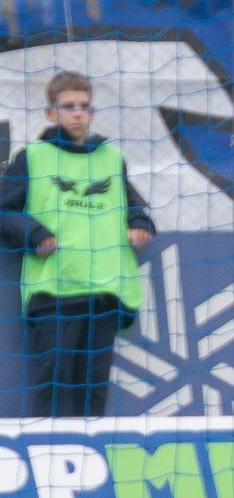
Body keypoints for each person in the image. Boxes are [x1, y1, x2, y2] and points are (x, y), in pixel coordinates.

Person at [2, 69, 154, 419]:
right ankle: (48, 451)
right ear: (50, 113)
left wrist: (140, 225)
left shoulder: (111, 158)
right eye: (68, 106)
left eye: (84, 106)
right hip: (55, 291)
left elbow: (133, 206)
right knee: (54, 382)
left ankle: (90, 450)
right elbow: (5, 210)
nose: (77, 114)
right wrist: (34, 233)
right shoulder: (33, 156)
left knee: (94, 389)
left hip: (105, 290)